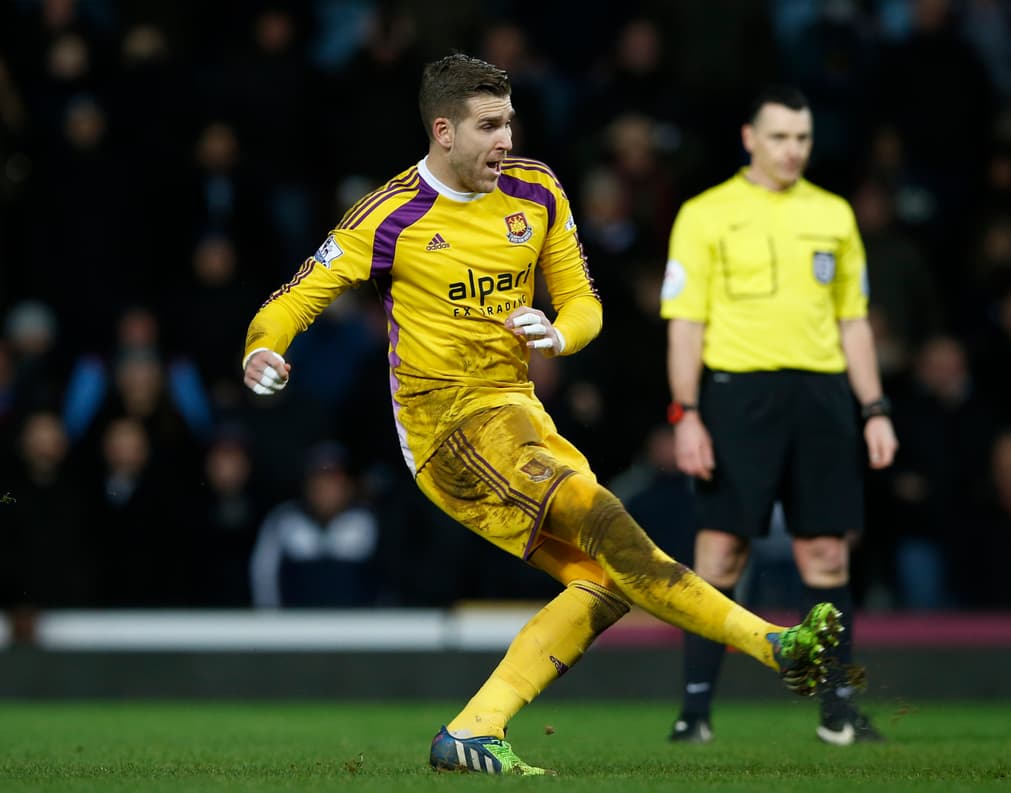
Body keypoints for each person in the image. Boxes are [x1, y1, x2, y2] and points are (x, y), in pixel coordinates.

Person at [241, 54, 846, 776]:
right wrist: (263, 349)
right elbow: (294, 297)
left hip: (519, 414)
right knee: (605, 518)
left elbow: (584, 302)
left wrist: (560, 334)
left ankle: (474, 729)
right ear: (443, 130)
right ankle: (772, 645)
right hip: (447, 430)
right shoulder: (388, 214)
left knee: (605, 579)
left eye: (509, 121)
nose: (506, 139)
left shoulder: (537, 189)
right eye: (489, 125)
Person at [659, 85, 899, 746]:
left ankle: (835, 708)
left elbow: (854, 323)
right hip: (738, 396)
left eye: (802, 138)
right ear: (749, 138)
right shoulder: (705, 214)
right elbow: (686, 324)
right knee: (721, 549)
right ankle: (695, 710)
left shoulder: (834, 215)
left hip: (822, 396)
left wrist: (874, 407)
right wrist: (687, 414)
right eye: (780, 137)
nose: (793, 150)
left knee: (825, 552)